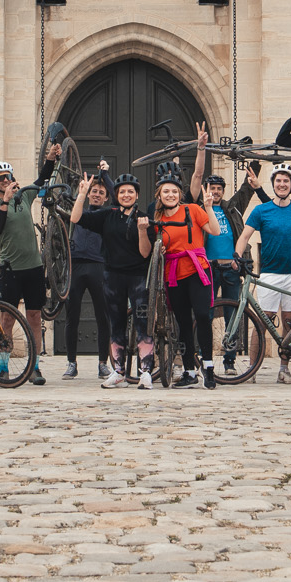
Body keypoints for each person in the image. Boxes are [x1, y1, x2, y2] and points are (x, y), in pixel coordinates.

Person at [0, 143, 67, 387]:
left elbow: (41, 179)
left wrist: (51, 158)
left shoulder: (25, 196)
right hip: (10, 270)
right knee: (7, 319)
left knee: (34, 316)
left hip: (33, 268)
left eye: (7, 176)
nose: (4, 180)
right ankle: (3, 366)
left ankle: (35, 367)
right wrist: (5, 201)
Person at [70, 165, 155, 388]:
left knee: (142, 323)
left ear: (137, 195)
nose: (126, 195)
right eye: (122, 192)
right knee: (116, 323)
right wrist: (81, 195)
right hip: (112, 276)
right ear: (116, 195)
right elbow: (76, 219)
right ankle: (119, 371)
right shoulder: (108, 215)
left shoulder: (143, 217)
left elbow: (145, 252)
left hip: (138, 277)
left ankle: (145, 371)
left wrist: (143, 230)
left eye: (131, 192)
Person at [234, 164, 291, 384]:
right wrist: (237, 256)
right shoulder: (262, 210)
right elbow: (244, 236)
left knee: (289, 321)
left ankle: (283, 369)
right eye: (278, 181)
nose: (282, 184)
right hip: (269, 273)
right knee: (263, 320)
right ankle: (251, 369)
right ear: (273, 184)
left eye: (286, 181)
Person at [151, 157, 219, 390]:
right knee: (182, 322)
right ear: (159, 195)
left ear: (180, 193)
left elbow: (215, 231)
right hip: (173, 274)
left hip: (196, 269)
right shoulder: (158, 219)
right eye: (166, 191)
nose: (170, 195)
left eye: (174, 191)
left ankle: (208, 367)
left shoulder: (193, 209)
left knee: (202, 315)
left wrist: (208, 207)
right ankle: (189, 370)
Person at [189, 129, 251, 377]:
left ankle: (229, 360)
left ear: (223, 192)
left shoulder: (232, 209)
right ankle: (199, 356)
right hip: (209, 268)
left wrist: (251, 159)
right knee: (203, 312)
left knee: (231, 316)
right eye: (211, 188)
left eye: (218, 189)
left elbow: (247, 189)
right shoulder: (199, 210)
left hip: (231, 268)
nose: (214, 192)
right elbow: (191, 184)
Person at [59, 176, 112, 381]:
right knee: (72, 315)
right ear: (89, 193)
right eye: (94, 192)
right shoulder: (79, 208)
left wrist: (106, 178)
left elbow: (118, 197)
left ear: (106, 198)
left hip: (99, 264)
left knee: (102, 316)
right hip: (76, 264)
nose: (97, 195)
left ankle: (102, 364)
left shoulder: (108, 214)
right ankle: (71, 363)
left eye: (101, 193)